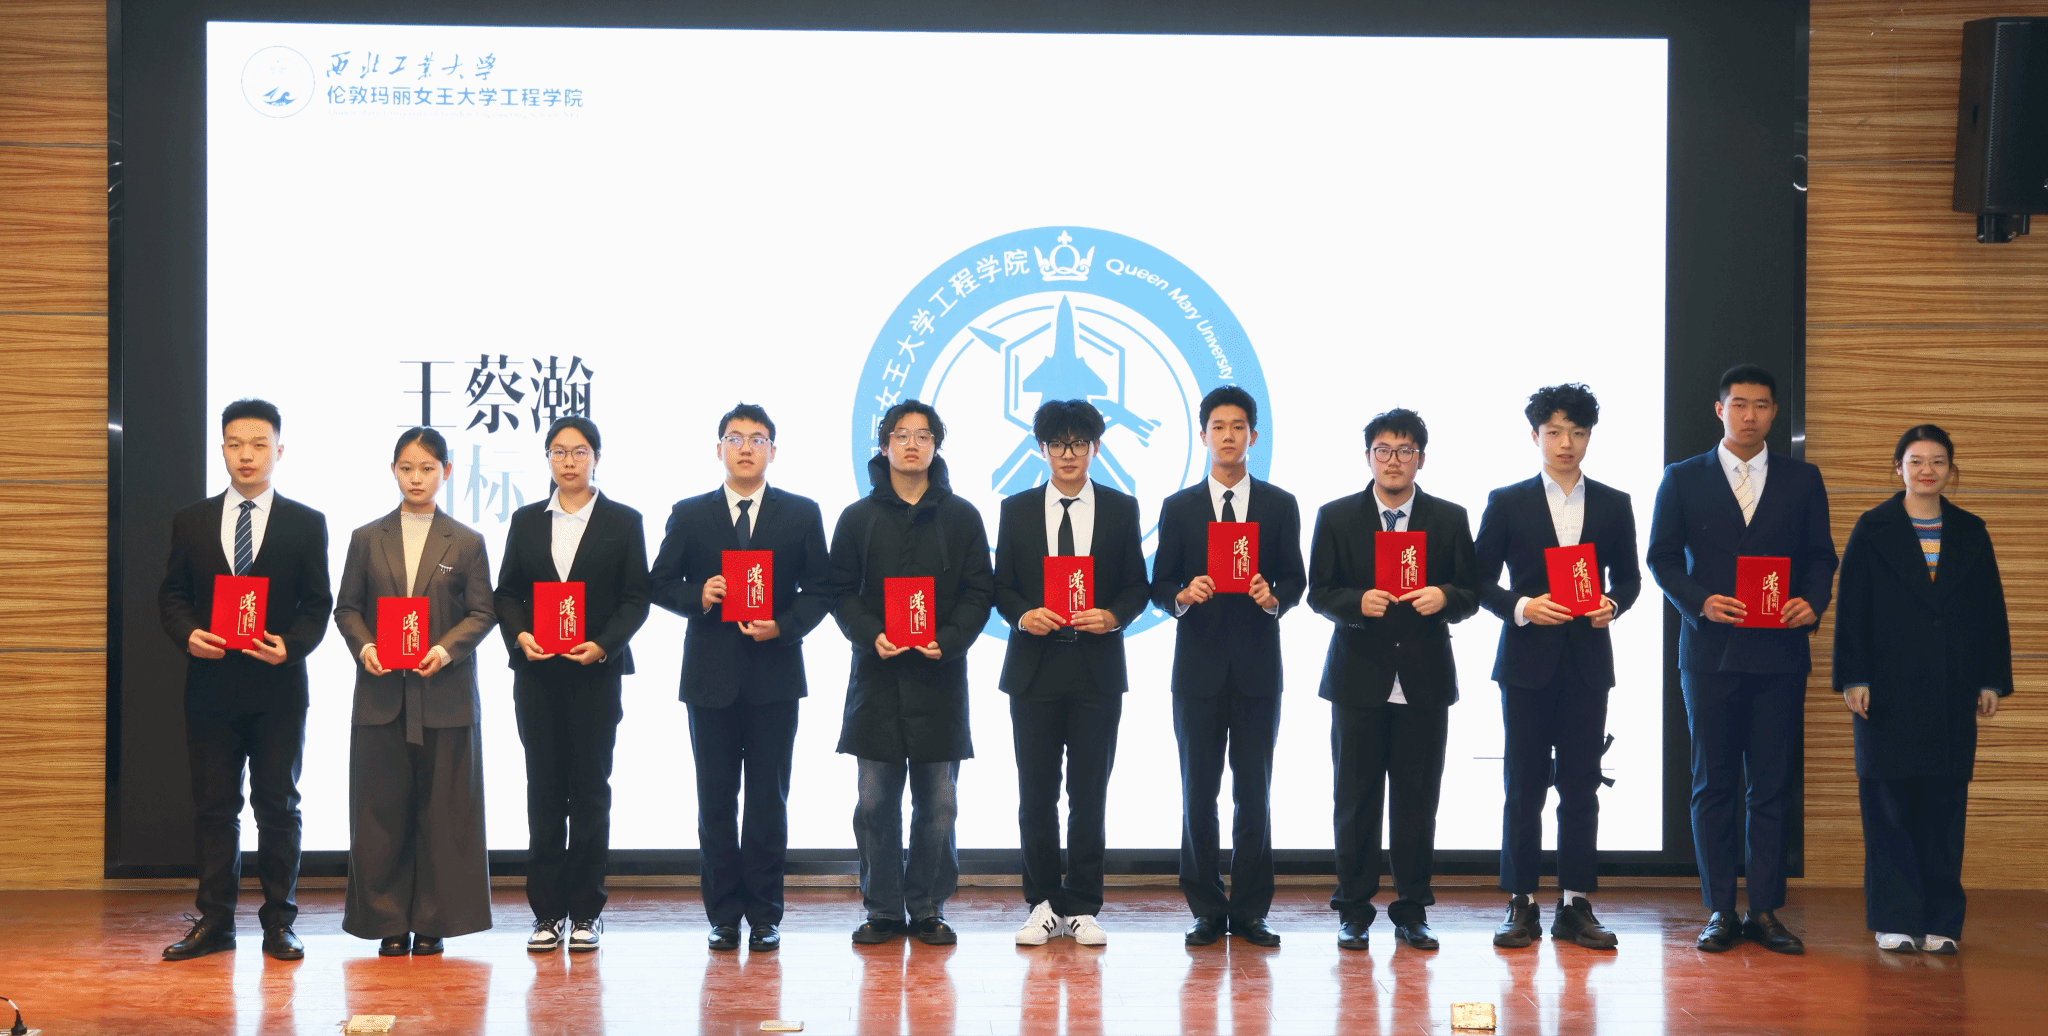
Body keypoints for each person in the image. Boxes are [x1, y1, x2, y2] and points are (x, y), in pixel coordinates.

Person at [1647, 364, 1838, 954]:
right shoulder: (1682, 478)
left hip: (1780, 654)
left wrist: (1813, 602)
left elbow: (1821, 557)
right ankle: (1719, 910)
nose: (1749, 415)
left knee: (1772, 785)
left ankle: (1766, 910)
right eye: (1739, 404)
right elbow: (1661, 558)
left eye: (1760, 405)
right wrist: (1700, 601)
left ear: (1774, 412)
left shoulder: (1803, 479)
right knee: (1713, 783)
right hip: (1710, 654)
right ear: (1719, 409)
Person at [648, 403, 833, 954]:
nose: (746, 447)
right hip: (709, 681)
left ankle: (766, 914)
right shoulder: (689, 514)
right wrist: (698, 595)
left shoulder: (801, 513)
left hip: (775, 675)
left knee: (769, 802)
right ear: (719, 449)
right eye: (735, 438)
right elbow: (658, 582)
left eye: (757, 438)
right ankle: (724, 915)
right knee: (715, 800)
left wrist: (785, 626)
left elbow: (821, 589)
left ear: (774, 450)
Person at [157, 398, 332, 961]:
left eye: (259, 444)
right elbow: (173, 595)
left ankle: (280, 922)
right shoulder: (192, 519)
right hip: (210, 687)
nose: (247, 455)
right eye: (235, 444)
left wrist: (292, 645)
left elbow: (317, 603)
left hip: (278, 688)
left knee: (278, 806)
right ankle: (215, 922)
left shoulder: (306, 522)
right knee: (215, 807)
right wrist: (188, 634)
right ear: (223, 450)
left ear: (279, 450)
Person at [1473, 385, 1641, 950]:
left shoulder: (1614, 502)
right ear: (1535, 436)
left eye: (1577, 432)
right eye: (1554, 432)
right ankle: (1521, 902)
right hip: (1525, 663)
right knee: (1523, 785)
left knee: (1581, 785)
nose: (1566, 443)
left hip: (1587, 663)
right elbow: (1477, 580)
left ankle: (1574, 904)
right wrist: (1522, 606)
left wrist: (1612, 604)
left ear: (1590, 436)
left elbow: (1630, 579)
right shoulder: (1507, 500)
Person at [1833, 425, 2012, 955]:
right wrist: (1854, 677)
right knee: (1887, 806)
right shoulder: (1873, 527)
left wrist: (1991, 679)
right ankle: (1894, 917)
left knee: (1944, 805)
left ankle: (1941, 920)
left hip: (1952, 687)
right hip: (1885, 690)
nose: (1926, 470)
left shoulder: (1971, 531)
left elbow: (1990, 610)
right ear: (1899, 468)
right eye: (1915, 460)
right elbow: (1852, 609)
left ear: (1950, 470)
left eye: (1937, 461)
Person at [821, 400, 994, 946]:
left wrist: (950, 639)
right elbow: (839, 591)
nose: (912, 444)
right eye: (901, 434)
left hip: (940, 678)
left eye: (923, 435)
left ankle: (926, 907)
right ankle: (882, 910)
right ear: (884, 445)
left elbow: (980, 591)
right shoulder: (857, 518)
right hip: (877, 677)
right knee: (875, 803)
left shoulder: (962, 516)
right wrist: (870, 633)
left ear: (936, 446)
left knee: (938, 804)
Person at [1307, 408, 1479, 952]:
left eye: (1405, 451)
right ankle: (1353, 911)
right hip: (1358, 679)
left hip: (1423, 681)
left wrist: (1445, 597)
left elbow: (1471, 593)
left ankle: (1412, 910)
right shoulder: (1337, 516)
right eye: (1383, 450)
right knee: (1355, 800)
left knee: (1417, 802)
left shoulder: (1448, 518)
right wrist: (1356, 603)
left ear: (1420, 459)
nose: (1394, 461)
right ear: (1368, 457)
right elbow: (1318, 592)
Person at [331, 427, 498, 956]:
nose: (417, 478)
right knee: (379, 814)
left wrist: (445, 650)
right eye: (407, 468)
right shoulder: (366, 537)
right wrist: (365, 647)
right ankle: (387, 921)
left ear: (446, 472)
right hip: (380, 695)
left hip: (445, 694)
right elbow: (346, 608)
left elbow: (483, 612)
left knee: (445, 815)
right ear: (393, 471)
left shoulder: (466, 541)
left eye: (427, 468)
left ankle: (434, 922)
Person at [1149, 385, 1305, 948]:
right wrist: (1183, 594)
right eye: (1218, 426)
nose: (1229, 436)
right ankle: (1207, 909)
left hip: (1258, 671)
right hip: (1197, 672)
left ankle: (1252, 910)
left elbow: (1296, 579)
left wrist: (1273, 597)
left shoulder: (1279, 504)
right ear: (1203, 435)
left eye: (1239, 426)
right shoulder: (1179, 507)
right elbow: (1158, 584)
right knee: (1198, 793)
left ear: (1253, 436)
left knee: (1254, 793)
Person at [992, 400, 1152, 948]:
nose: (1068, 454)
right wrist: (1023, 615)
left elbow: (1136, 585)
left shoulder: (1120, 508)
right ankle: (1041, 904)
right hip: (1034, 670)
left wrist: (1113, 616)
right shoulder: (1015, 509)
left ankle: (1082, 904)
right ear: (1041, 449)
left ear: (1095, 448)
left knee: (1089, 796)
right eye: (1057, 444)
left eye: (1079, 443)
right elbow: (1001, 586)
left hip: (1095, 670)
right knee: (1036, 795)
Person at [495, 417, 651, 953]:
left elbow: (636, 597)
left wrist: (604, 644)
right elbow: (506, 593)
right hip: (537, 677)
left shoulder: (623, 521)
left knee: (589, 791)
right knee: (543, 791)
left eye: (579, 451)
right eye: (558, 451)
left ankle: (585, 911)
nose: (568, 461)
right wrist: (520, 634)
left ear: (596, 459)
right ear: (547, 458)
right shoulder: (525, 521)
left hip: (594, 675)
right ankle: (546, 914)